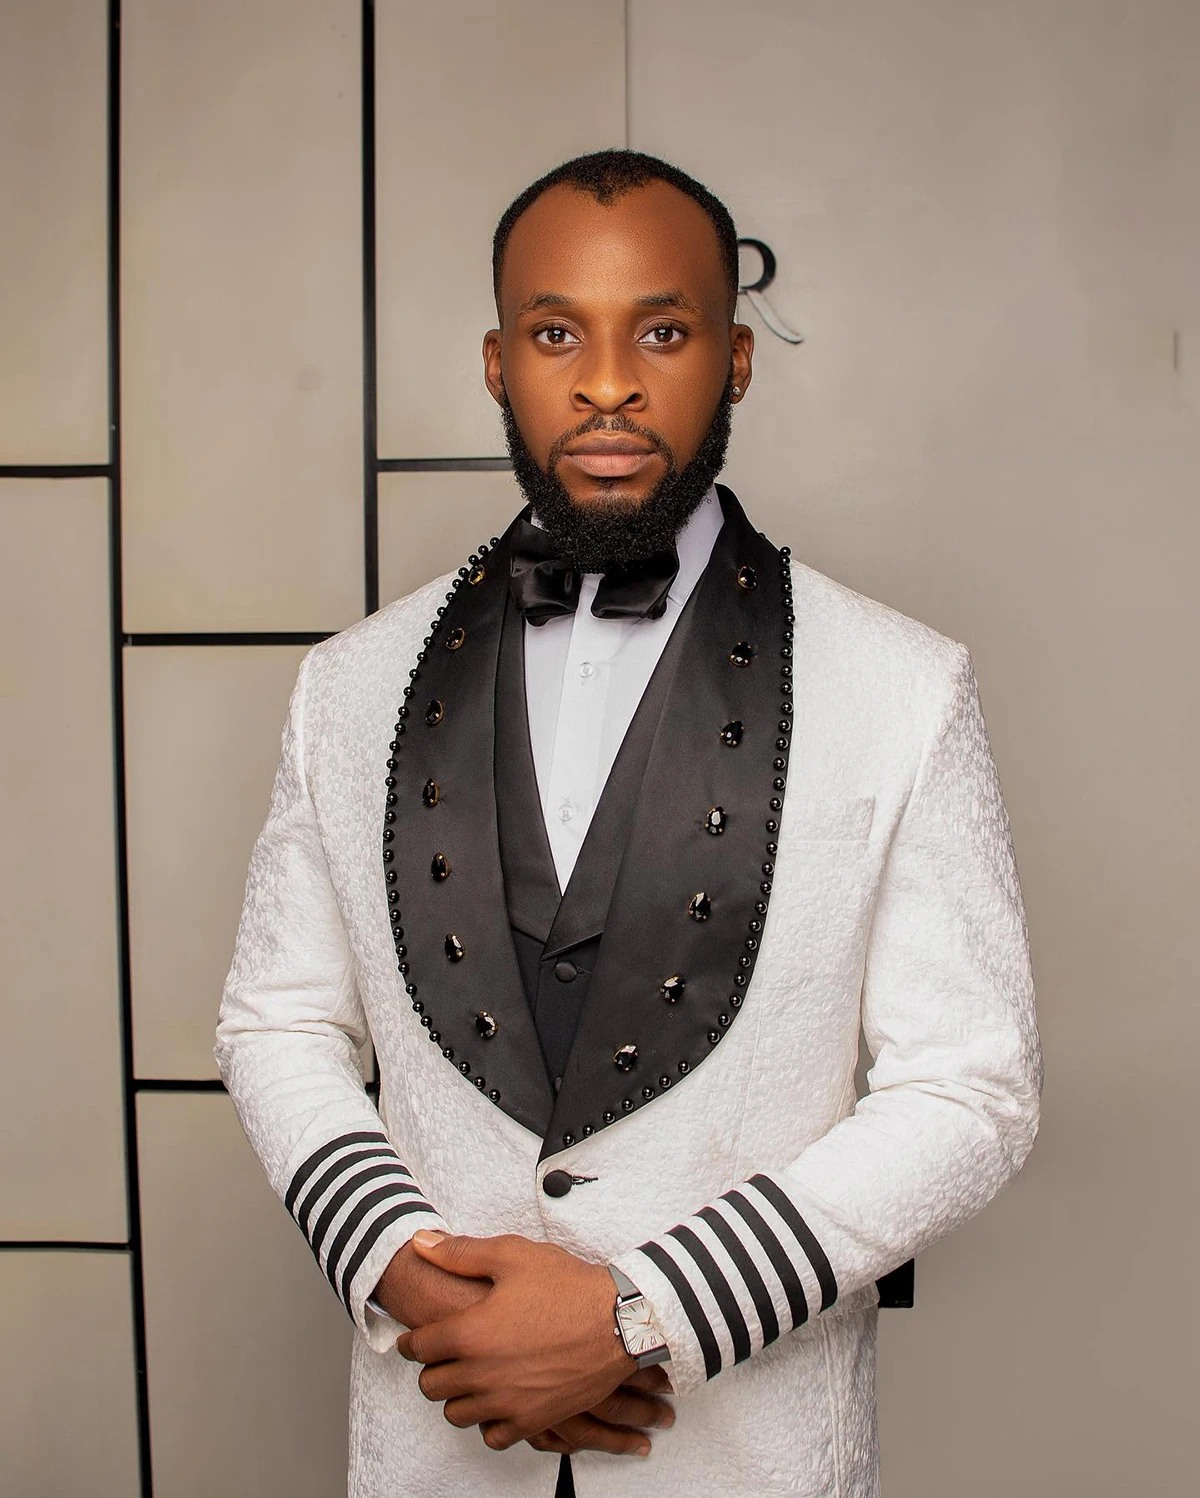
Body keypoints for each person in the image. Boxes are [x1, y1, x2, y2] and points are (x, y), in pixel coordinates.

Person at [215, 149, 1042, 1498]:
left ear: (736, 358)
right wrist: (410, 1272)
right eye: (558, 335)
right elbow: (278, 1022)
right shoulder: (348, 685)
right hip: (437, 1440)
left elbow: (970, 1090)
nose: (608, 383)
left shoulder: (906, 686)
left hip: (743, 1456)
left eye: (662, 332)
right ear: (497, 363)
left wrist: (637, 1315)